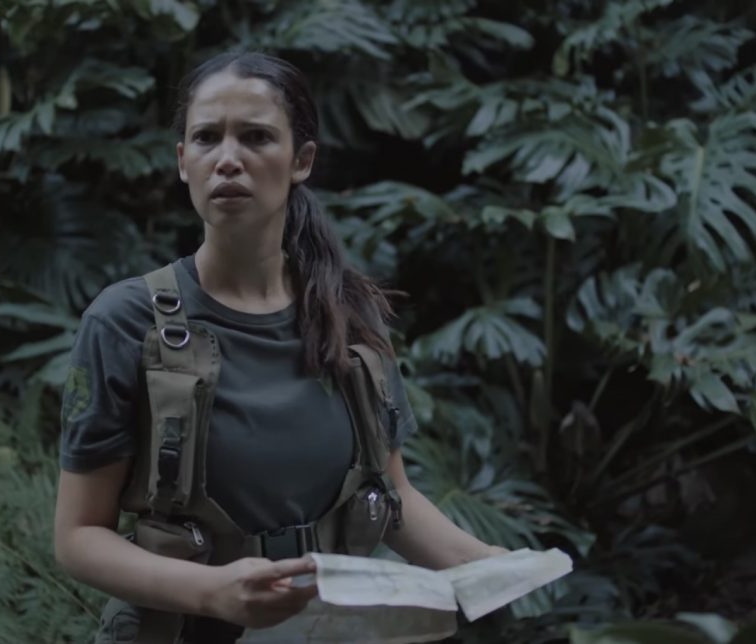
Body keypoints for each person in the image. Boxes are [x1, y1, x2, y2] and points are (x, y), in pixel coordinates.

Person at [53, 51, 506, 644]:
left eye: (257, 137)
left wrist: (487, 568)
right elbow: (79, 536)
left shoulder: (349, 312)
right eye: (207, 138)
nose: (228, 159)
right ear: (183, 161)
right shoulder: (125, 321)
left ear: (302, 160)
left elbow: (391, 496)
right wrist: (211, 593)